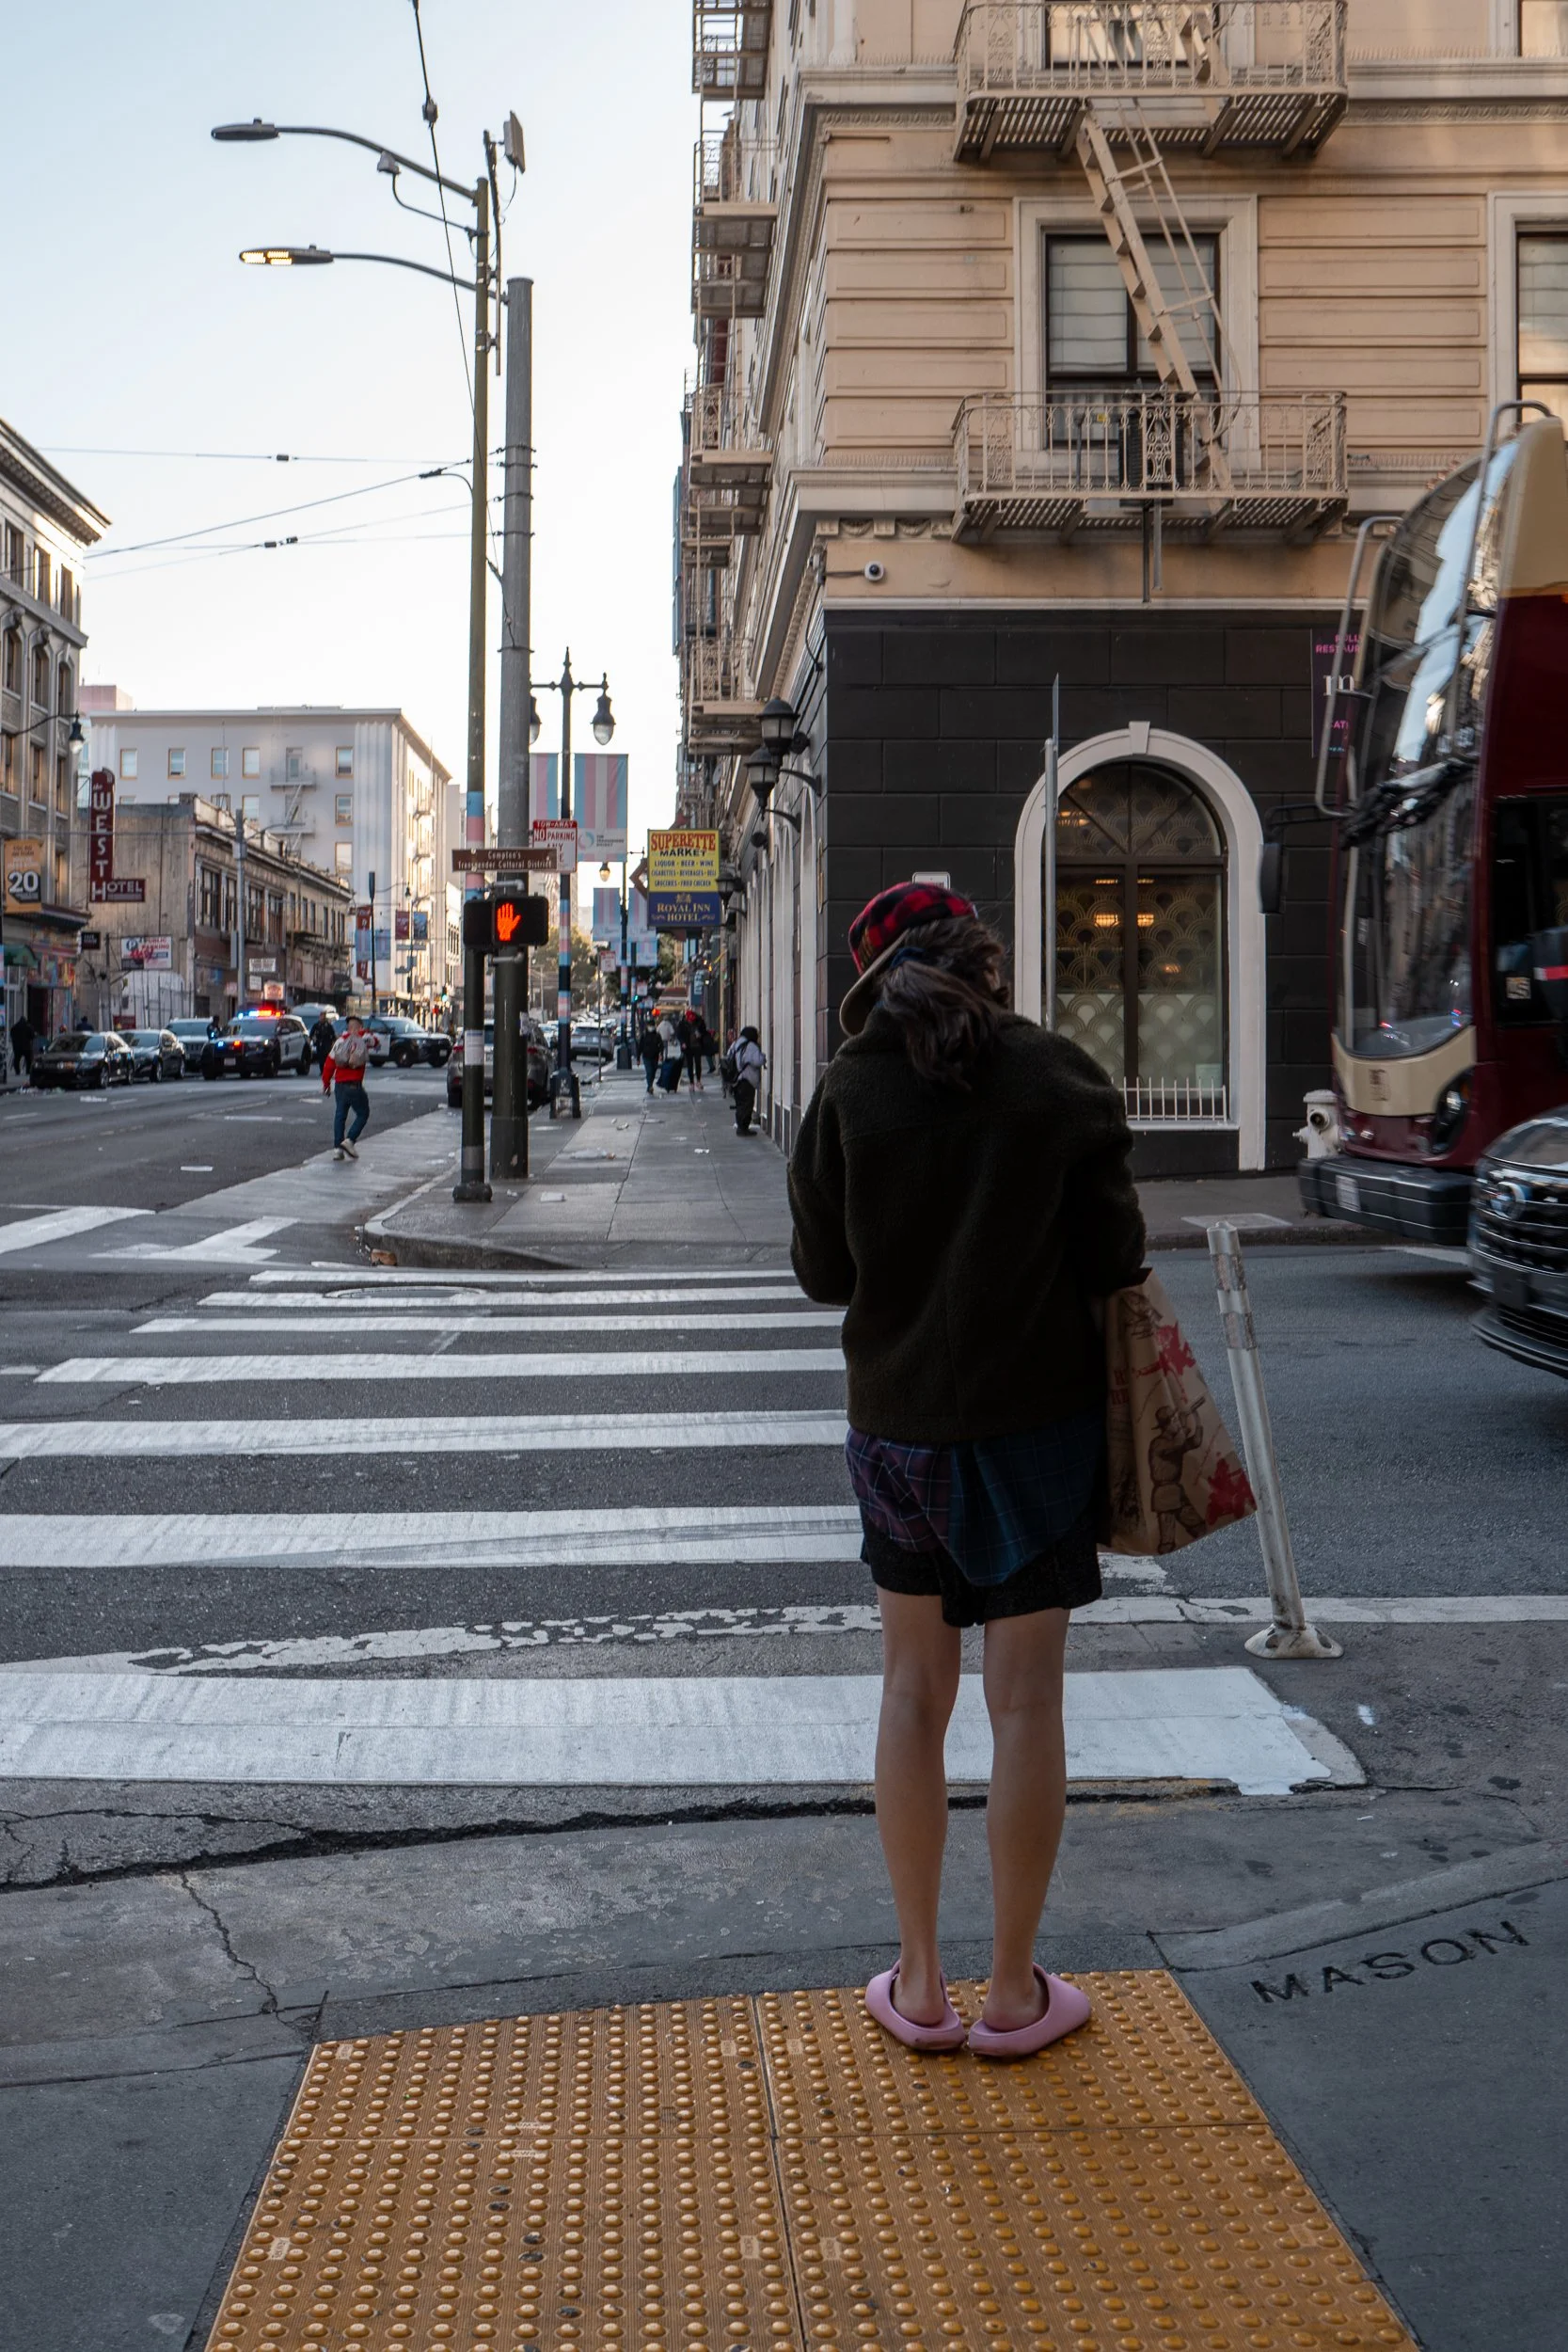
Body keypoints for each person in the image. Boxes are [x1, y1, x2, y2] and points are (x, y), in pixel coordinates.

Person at [787, 881, 1145, 2058]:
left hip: (894, 1430)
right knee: (1025, 1700)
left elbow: (824, 1276)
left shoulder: (846, 1089)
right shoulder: (1058, 1078)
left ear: (872, 982)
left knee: (909, 1691)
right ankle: (1012, 1993)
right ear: (984, 961)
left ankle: (922, 1981)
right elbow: (1114, 1257)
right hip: (1035, 1427)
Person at [322, 1010, 372, 1160]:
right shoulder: (363, 1038)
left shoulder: (339, 1042)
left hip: (339, 1085)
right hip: (354, 1085)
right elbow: (375, 1042)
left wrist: (326, 1084)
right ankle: (350, 1140)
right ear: (358, 1028)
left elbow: (329, 1065)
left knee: (340, 1115)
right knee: (363, 1113)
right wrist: (364, 1031)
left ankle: (338, 1149)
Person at [732, 1025, 766, 1134]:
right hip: (748, 1079)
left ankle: (740, 1126)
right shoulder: (751, 1046)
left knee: (740, 1104)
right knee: (747, 1104)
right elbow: (757, 1061)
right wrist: (763, 1057)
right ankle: (743, 1128)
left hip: (737, 1079)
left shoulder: (736, 1044)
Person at [681, 1009, 705, 1095]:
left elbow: (704, 1031)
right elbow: (679, 1034)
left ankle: (698, 1081)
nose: (691, 1022)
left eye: (692, 1021)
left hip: (697, 1045)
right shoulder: (683, 1023)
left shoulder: (699, 1022)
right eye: (689, 1021)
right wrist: (682, 1042)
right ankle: (691, 1082)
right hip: (688, 1047)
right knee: (690, 1065)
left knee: (698, 1063)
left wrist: (700, 1034)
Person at [309, 1009, 337, 1075]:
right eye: (321, 1016)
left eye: (323, 1016)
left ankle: (327, 1071)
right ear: (319, 1017)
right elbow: (311, 1034)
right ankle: (322, 1071)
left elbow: (333, 1035)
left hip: (327, 1044)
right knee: (321, 1059)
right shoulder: (316, 1025)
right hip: (319, 1044)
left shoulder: (329, 1026)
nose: (322, 1018)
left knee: (326, 1058)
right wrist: (312, 1040)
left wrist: (333, 1043)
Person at [9, 1015, 34, 1081]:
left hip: (17, 1047)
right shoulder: (28, 1027)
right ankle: (28, 1071)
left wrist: (15, 1042)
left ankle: (17, 1071)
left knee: (17, 1059)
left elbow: (11, 1035)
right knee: (28, 1060)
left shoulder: (15, 1027)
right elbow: (32, 1036)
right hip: (26, 1047)